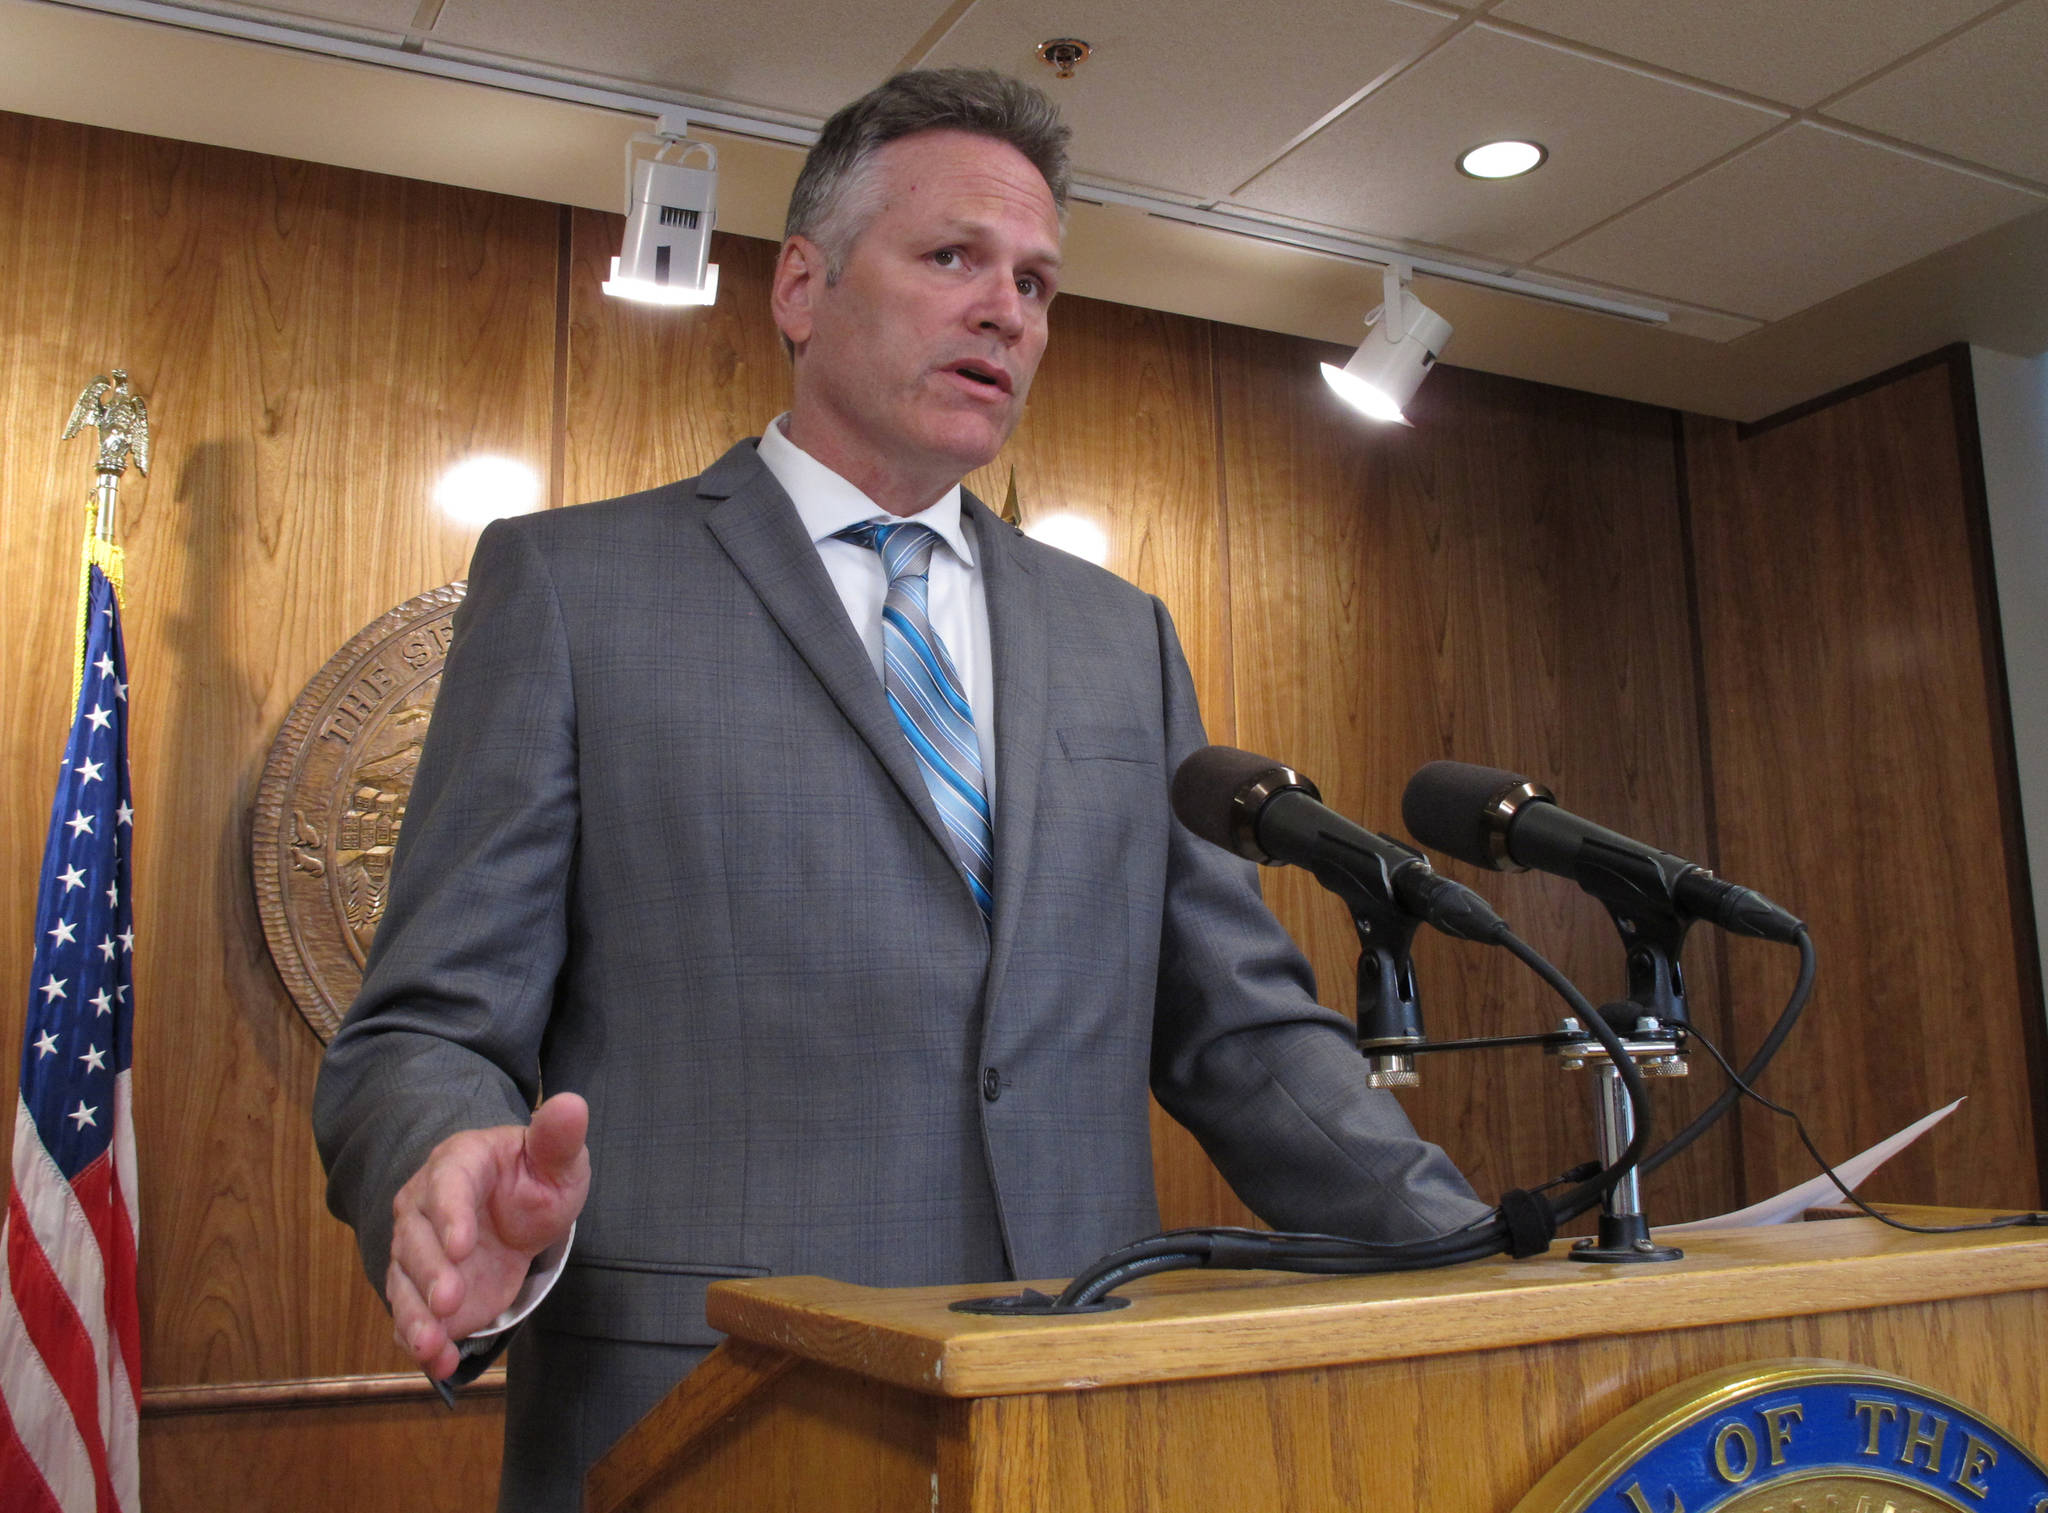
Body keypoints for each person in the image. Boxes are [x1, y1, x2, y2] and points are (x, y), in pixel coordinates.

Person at [314, 67, 1485, 1511]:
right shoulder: (572, 588)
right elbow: (424, 1024)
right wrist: (440, 1160)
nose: (1009, 311)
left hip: (1072, 1426)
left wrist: (1484, 1258)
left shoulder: (1120, 637)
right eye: (954, 259)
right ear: (799, 287)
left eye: (1039, 283)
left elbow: (1245, 1033)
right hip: (709, 1423)